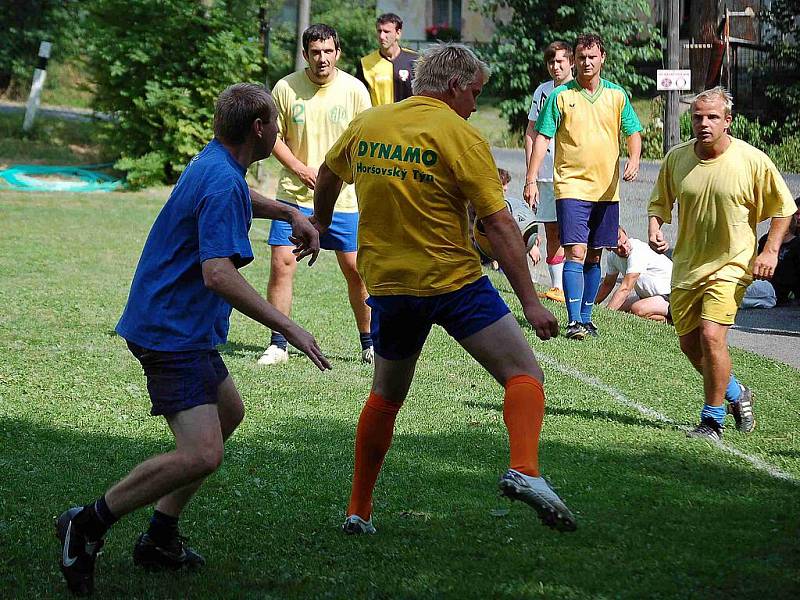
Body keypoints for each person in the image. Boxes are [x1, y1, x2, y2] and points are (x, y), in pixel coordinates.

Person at [55, 83, 331, 597]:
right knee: (203, 453)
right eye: (276, 123)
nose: (279, 131)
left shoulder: (215, 163)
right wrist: (286, 325)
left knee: (228, 413)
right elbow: (217, 274)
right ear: (259, 129)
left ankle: (159, 538)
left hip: (180, 324)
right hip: (170, 330)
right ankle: (86, 524)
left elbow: (237, 195)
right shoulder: (222, 179)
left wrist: (291, 212)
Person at [314, 43, 576, 535]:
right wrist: (532, 302)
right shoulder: (461, 135)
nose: (476, 104)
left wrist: (320, 222)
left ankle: (358, 510)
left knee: (386, 398)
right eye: (475, 92)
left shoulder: (370, 124)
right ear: (454, 87)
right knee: (524, 374)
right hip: (454, 283)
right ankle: (525, 468)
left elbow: (328, 173)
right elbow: (499, 225)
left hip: (390, 287)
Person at [648, 86, 796, 441]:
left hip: (732, 266)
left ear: (728, 121)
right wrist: (655, 226)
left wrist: (771, 250)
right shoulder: (677, 158)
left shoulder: (752, 160)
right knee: (689, 344)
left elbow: (784, 208)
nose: (704, 123)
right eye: (698, 116)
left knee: (712, 336)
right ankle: (736, 393)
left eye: (712, 117)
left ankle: (712, 420)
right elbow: (659, 203)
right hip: (687, 266)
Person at [258, 24, 373, 367]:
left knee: (356, 270)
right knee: (282, 264)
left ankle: (370, 344)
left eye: (328, 51)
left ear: (337, 53)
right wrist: (299, 168)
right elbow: (272, 136)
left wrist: (337, 176)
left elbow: (364, 138)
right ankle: (278, 344)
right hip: (294, 195)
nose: (322, 58)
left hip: (344, 200)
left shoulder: (355, 90)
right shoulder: (285, 88)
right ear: (305, 54)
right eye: (315, 52)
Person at [525, 33, 642, 340]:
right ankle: (574, 320)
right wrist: (531, 178)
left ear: (602, 58)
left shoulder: (617, 96)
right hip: (571, 187)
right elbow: (542, 137)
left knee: (594, 255)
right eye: (581, 57)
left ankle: (588, 317)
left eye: (592, 56)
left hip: (606, 190)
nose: (586, 62)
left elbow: (633, 131)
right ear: (574, 61)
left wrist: (634, 158)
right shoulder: (559, 97)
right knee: (574, 251)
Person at [523, 41, 574, 303]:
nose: (556, 66)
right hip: (544, 173)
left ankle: (576, 286)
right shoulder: (542, 92)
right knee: (551, 229)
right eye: (552, 62)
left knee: (574, 231)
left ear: (571, 62)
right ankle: (557, 287)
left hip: (572, 173)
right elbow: (532, 131)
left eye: (561, 61)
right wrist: (530, 175)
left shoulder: (578, 90)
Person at [595, 226, 672, 322]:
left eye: (625, 242)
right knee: (619, 309)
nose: (624, 249)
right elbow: (607, 284)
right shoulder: (612, 257)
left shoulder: (637, 251)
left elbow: (626, 288)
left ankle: (671, 321)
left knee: (637, 309)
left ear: (625, 234)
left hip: (670, 295)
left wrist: (604, 318)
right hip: (649, 297)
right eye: (618, 247)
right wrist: (591, 306)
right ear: (609, 248)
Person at [357, 13, 418, 106]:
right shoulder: (365, 63)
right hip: (379, 119)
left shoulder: (414, 60)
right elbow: (358, 97)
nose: (381, 36)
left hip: (409, 119)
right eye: (379, 31)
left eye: (386, 31)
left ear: (398, 33)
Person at [756, 195, 800, 305]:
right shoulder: (765, 240)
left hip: (781, 289)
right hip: (764, 283)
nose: (799, 218)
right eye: (797, 214)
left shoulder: (796, 244)